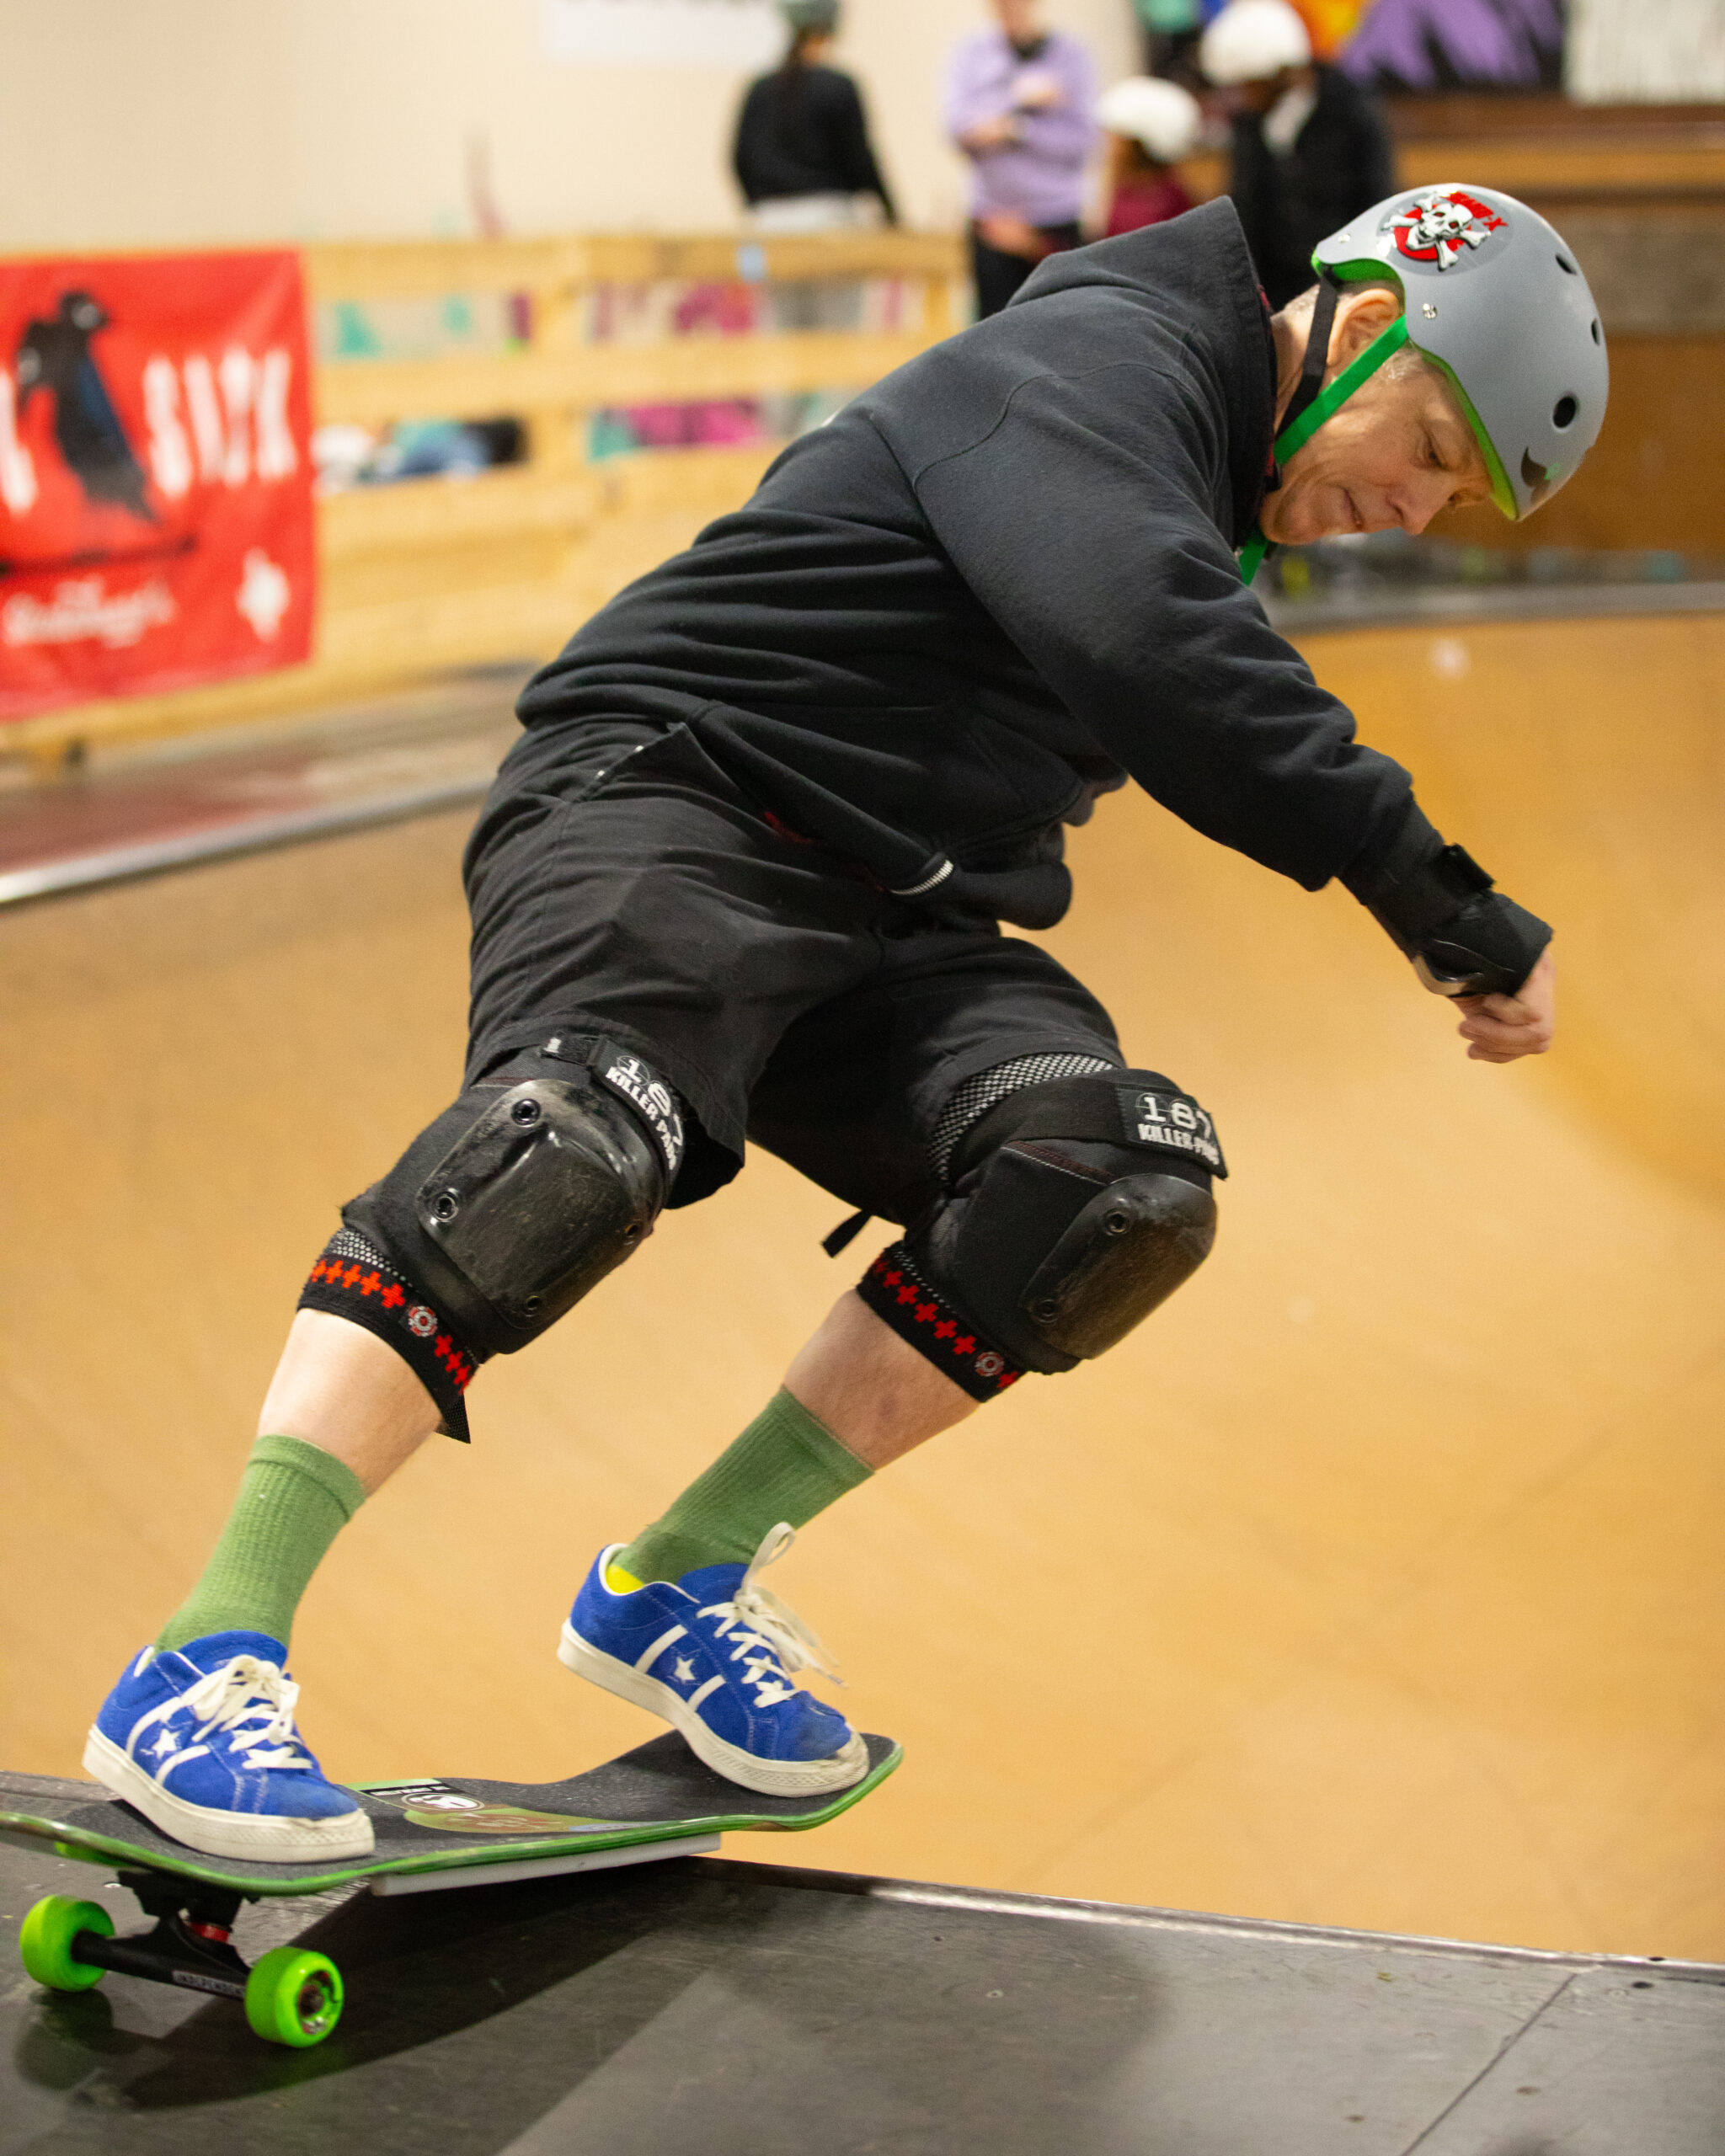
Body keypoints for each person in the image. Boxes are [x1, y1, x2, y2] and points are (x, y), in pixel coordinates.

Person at [86, 181, 1605, 1860]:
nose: (1412, 507)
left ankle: (675, 1581)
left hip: (895, 911)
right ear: (1363, 331)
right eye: (1431, 450)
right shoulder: (1105, 365)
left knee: (1104, 1175)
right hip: (669, 796)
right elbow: (1150, 645)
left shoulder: (1204, 470)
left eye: (1452, 499)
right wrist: (1439, 896)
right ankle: (199, 1654)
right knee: (571, 1152)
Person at [1202, 0, 1394, 307]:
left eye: (1251, 85)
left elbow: (1376, 201)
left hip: (1344, 288)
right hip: (1274, 294)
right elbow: (1244, 209)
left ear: (1283, 73)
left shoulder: (1351, 111)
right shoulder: (1250, 125)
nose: (1242, 97)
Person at [946, 0, 1097, 318]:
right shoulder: (971, 54)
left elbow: (1083, 143)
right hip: (993, 220)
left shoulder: (1071, 56)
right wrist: (1017, 98)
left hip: (1055, 221)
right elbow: (960, 130)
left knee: (1063, 327)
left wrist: (1020, 131)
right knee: (994, 334)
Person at [732, 0, 896, 232]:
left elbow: (739, 159)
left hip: (768, 219)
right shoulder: (839, 86)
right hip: (830, 216)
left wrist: (758, 205)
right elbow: (860, 159)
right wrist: (891, 213)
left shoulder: (761, 89)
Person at [1096, 76, 1201, 237]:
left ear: (1137, 145)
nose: (1108, 146)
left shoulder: (1149, 209)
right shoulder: (1130, 189)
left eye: (1115, 138)